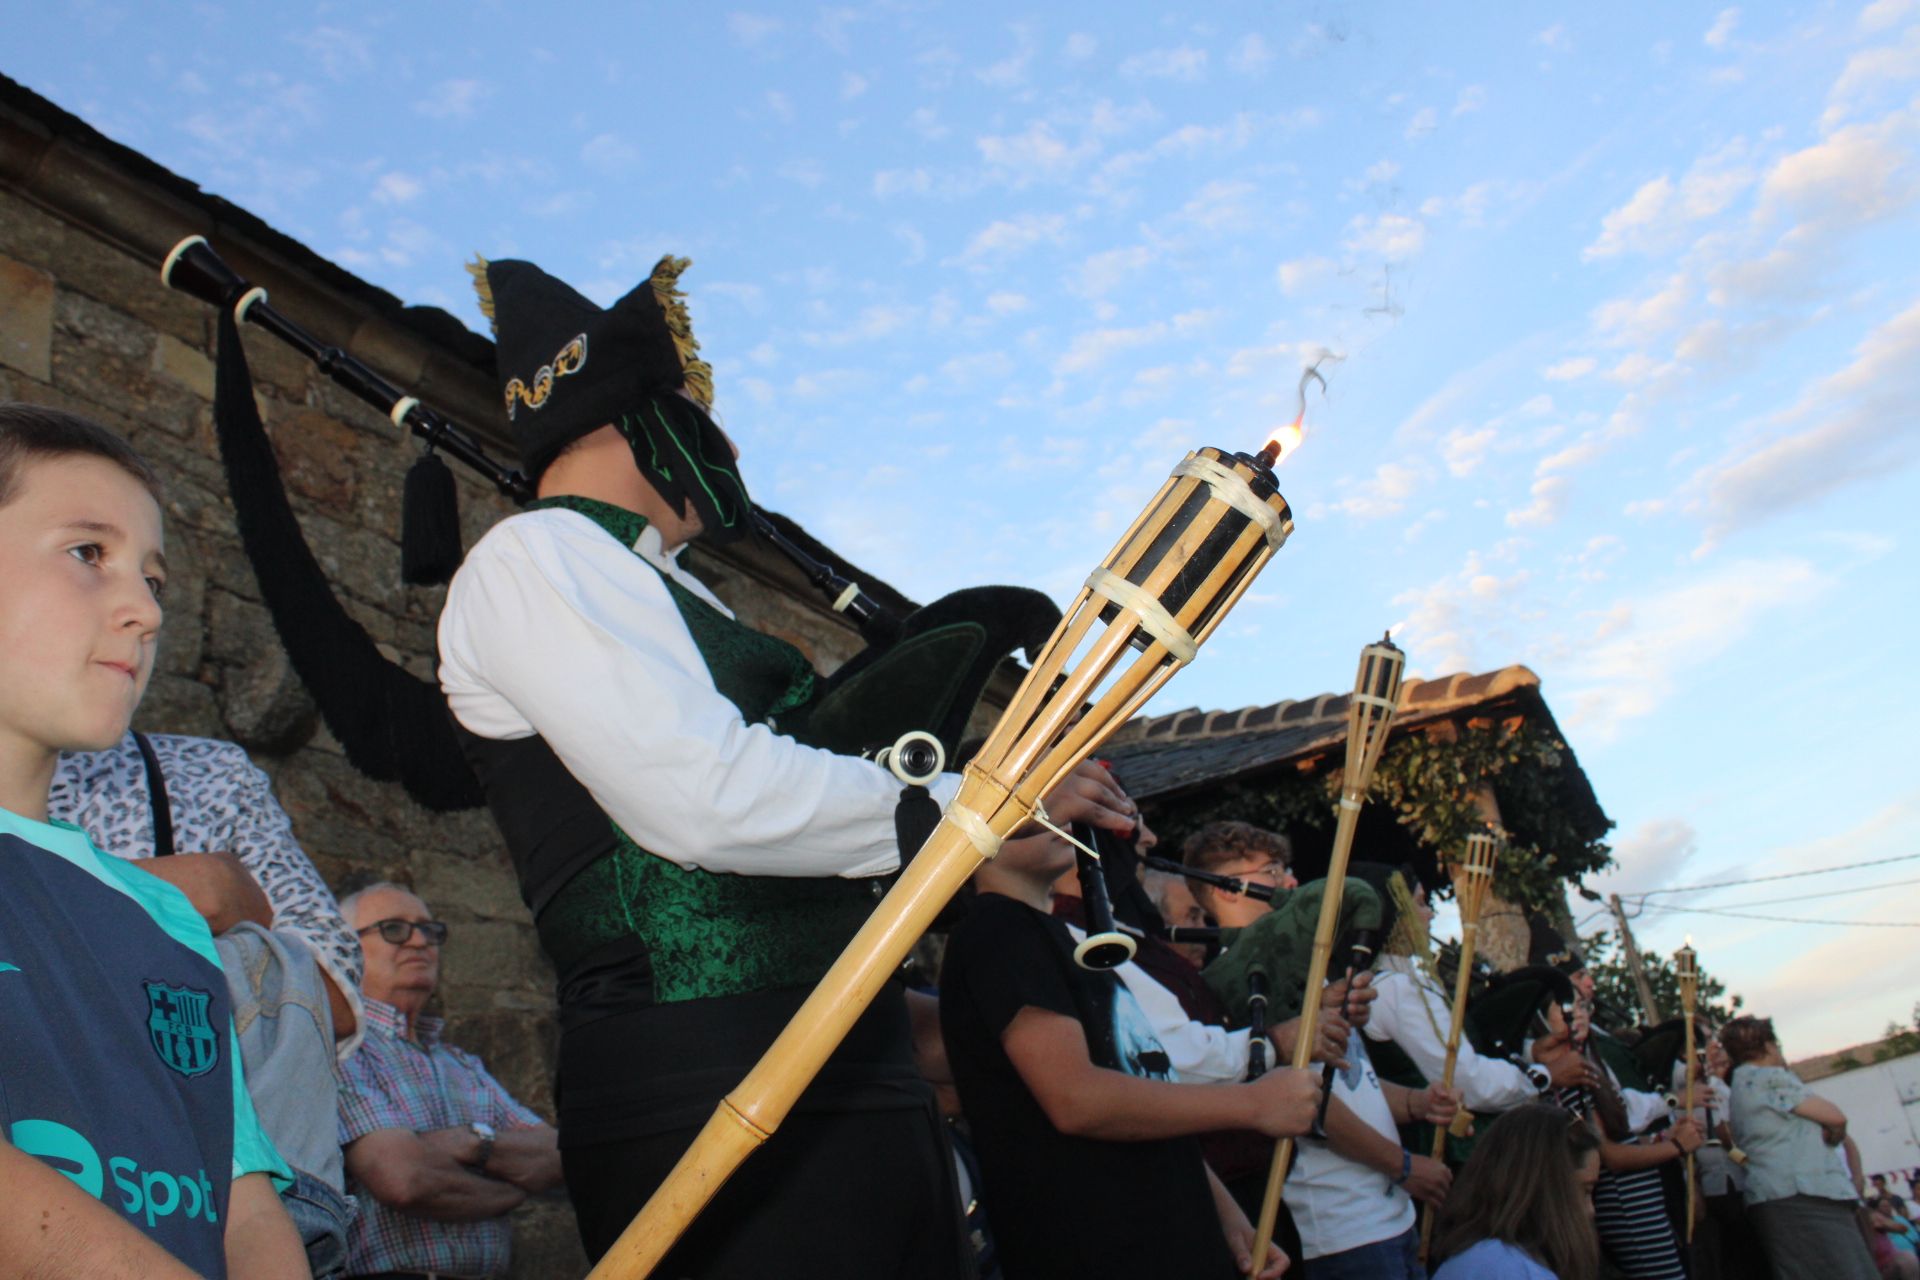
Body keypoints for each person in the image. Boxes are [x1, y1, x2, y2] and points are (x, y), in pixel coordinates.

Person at [437, 253, 1134, 1276]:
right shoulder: (535, 557)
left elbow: (816, 784)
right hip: (701, 1075)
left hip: (852, 1057)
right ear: (646, 414)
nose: (725, 445)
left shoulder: (677, 591)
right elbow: (705, 798)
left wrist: (983, 784)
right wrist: (970, 807)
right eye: (700, 412)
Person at [0, 402, 302, 1277]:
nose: (144, 609)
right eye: (88, 554)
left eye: (155, 580)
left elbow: (241, 1197)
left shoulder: (164, 918)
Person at [939, 812, 1321, 1279]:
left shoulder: (1059, 937)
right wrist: (1251, 1104)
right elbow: (1075, 1097)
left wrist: (1221, 1208)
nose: (1060, 818)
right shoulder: (999, 932)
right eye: (1035, 806)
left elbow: (1140, 1077)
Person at [50, 731, 365, 1272]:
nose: (137, 638)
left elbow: (327, 987)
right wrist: (186, 890)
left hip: (212, 1186)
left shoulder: (203, 772)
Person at [334, 882, 562, 1279]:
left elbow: (555, 1155)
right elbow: (403, 1179)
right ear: (343, 946)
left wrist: (471, 1142)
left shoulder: (460, 1063)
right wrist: (510, 1191)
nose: (420, 942)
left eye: (430, 930)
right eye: (394, 929)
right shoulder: (343, 1050)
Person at [1722, 1014, 1879, 1280]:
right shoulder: (1769, 1078)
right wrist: (1835, 1134)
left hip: (1772, 1195)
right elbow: (1835, 1117)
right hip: (1805, 1193)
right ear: (1770, 1046)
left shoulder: (1739, 1085)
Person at [1429, 1103, 1603, 1280]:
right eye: (1583, 1191)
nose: (1591, 1209)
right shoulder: (1508, 1269)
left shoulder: (1481, 1256)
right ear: (1540, 1190)